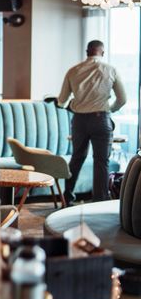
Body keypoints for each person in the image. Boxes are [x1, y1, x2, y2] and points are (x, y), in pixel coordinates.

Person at [57, 40, 126, 203]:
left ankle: (67, 196)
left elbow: (62, 101)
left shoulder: (73, 71)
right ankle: (99, 200)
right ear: (102, 52)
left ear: (87, 52)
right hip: (101, 118)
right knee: (101, 161)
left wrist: (73, 103)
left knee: (76, 158)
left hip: (79, 120)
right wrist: (111, 109)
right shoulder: (111, 70)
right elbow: (122, 99)